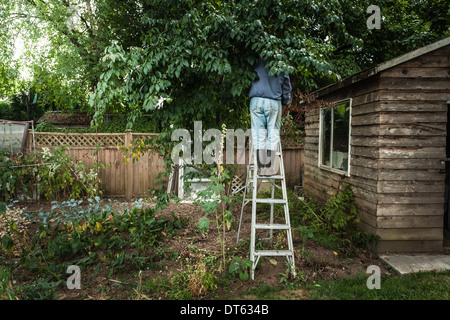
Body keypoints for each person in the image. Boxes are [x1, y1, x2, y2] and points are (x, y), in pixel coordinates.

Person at [248, 58, 291, 176]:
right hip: (273, 100)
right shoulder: (281, 62)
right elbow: (286, 85)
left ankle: (261, 167)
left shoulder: (254, 59)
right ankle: (269, 168)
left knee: (258, 135)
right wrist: (286, 101)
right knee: (273, 134)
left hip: (256, 99)